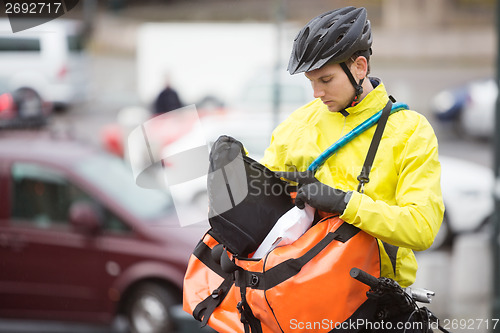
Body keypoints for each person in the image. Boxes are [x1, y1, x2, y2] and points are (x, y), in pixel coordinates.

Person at [260, 6, 444, 331]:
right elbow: (263, 194)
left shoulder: (410, 131)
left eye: (326, 79)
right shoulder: (301, 123)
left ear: (360, 67)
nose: (317, 93)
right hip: (307, 302)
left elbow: (421, 228)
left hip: (380, 309)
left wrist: (345, 203)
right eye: (311, 82)